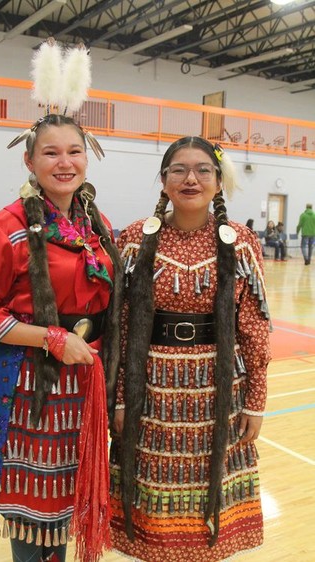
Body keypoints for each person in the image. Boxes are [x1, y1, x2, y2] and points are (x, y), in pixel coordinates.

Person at [0, 41, 123, 562]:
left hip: (85, 382)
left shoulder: (97, 224)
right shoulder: (4, 227)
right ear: (29, 158)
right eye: (50, 153)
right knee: (35, 516)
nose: (64, 162)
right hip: (30, 383)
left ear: (89, 153)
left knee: (71, 504)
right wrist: (52, 339)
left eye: (73, 151)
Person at [108, 137, 271, 562]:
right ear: (163, 181)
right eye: (178, 170)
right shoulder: (133, 240)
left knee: (207, 501)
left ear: (218, 181)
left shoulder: (241, 242)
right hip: (153, 392)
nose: (190, 179)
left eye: (203, 170)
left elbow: (254, 328)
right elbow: (121, 330)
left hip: (219, 393)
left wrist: (255, 402)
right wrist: (121, 397)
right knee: (153, 494)